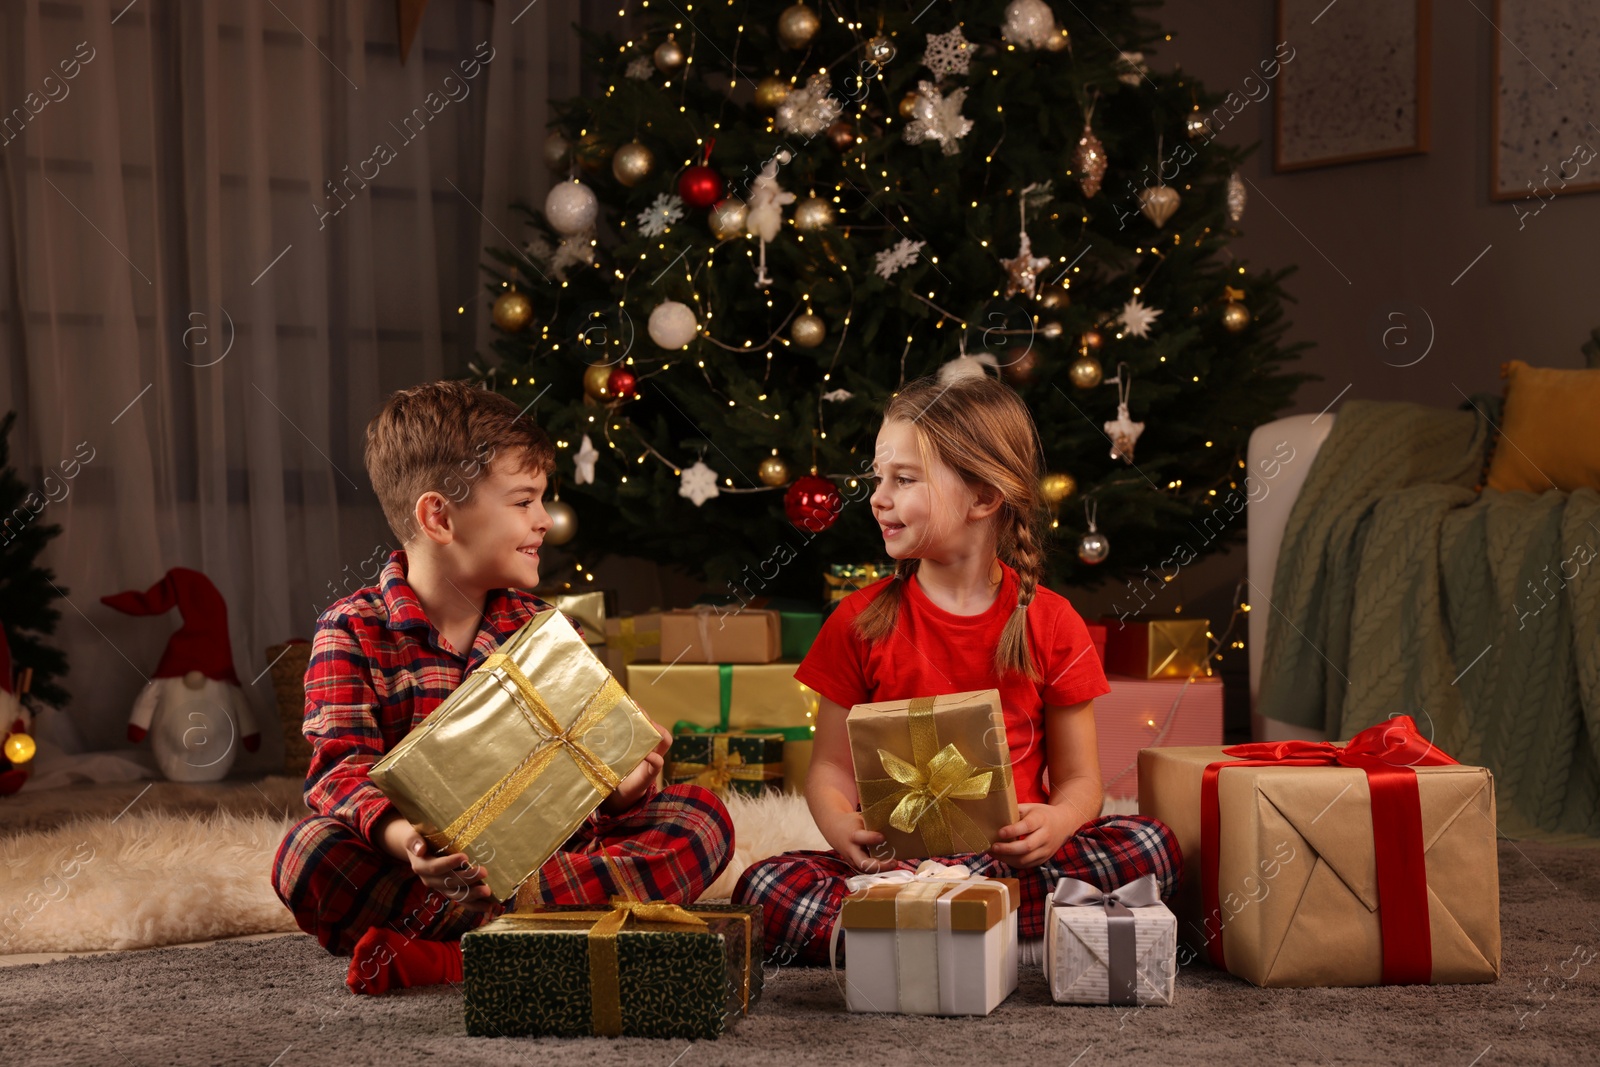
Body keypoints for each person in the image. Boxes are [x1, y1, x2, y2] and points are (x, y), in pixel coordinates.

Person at [272, 381, 733, 993]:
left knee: (702, 818)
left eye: (542, 501)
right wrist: (412, 845)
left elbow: (588, 771)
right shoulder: (352, 631)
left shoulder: (543, 626)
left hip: (548, 859)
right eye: (523, 502)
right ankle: (548, 936)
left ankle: (457, 953)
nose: (544, 521)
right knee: (307, 854)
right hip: (427, 870)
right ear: (439, 517)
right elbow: (340, 773)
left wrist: (623, 787)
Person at [734, 374, 1181, 966]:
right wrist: (845, 832)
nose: (878, 497)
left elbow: (1081, 782)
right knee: (763, 886)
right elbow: (829, 773)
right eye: (877, 478)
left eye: (904, 479)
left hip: (1009, 860)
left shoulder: (1051, 621)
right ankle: (983, 923)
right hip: (896, 866)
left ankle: (910, 932)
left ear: (983, 498)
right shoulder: (857, 621)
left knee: (1152, 844)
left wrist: (1058, 822)